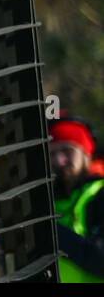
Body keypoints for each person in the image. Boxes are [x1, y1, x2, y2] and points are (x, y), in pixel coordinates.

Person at [49, 117, 104, 282]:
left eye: (68, 150)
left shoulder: (99, 194)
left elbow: (100, 260)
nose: (60, 161)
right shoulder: (45, 203)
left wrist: (46, 231)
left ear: (86, 154)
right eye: (52, 153)